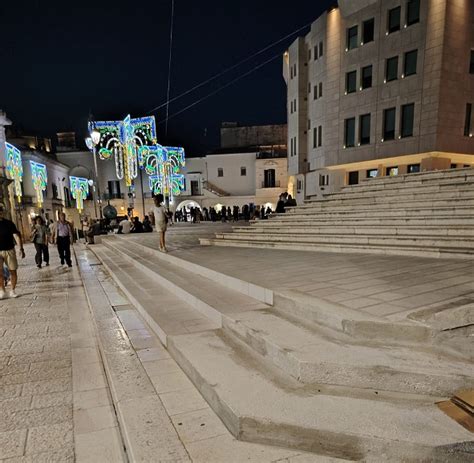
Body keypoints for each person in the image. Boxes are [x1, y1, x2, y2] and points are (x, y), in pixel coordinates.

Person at [0, 204, 25, 298]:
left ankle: (12, 290)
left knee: (13, 271)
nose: (0, 212)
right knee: (0, 272)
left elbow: (16, 236)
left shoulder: (9, 223)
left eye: (1, 211)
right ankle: (2, 290)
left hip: (9, 250)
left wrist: (21, 249)